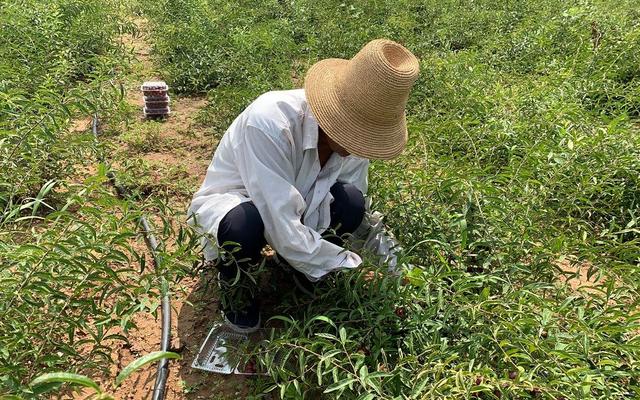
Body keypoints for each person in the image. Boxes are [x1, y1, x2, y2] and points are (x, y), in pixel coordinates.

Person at [188, 38, 420, 332]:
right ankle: (238, 289)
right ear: (334, 112)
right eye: (357, 131)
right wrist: (350, 266)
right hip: (242, 204)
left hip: (294, 209)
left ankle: (301, 272)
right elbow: (279, 222)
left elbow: (361, 217)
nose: (359, 144)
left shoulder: (353, 145)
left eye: (368, 135)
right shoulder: (270, 122)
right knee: (244, 224)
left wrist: (399, 271)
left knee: (351, 201)